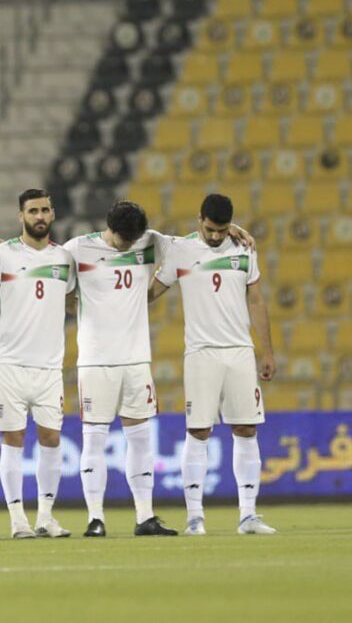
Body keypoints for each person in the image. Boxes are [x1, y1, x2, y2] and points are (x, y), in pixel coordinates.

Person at [149, 193, 277, 535]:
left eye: (222, 230)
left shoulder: (244, 248)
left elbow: (257, 299)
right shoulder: (181, 250)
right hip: (201, 352)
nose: (217, 236)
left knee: (246, 429)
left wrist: (266, 351)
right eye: (210, 229)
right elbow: (151, 292)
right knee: (199, 431)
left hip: (239, 350)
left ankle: (248, 515)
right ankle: (195, 517)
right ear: (199, 219)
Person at [64, 201, 178, 537]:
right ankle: (95, 518)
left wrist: (235, 230)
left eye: (133, 240)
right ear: (109, 229)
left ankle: (145, 516)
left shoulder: (150, 240)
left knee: (141, 440)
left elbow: (193, 247)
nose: (129, 245)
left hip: (136, 359)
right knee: (94, 440)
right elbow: (61, 290)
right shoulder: (77, 249)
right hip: (96, 360)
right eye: (123, 240)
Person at [0, 189, 74, 539]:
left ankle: (46, 516)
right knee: (13, 438)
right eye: (33, 210)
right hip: (10, 363)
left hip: (49, 365)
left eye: (45, 209)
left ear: (53, 213)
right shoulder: (0, 255)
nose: (39, 216)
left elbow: (75, 301)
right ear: (21, 216)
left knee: (51, 438)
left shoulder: (64, 258)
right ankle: (18, 520)